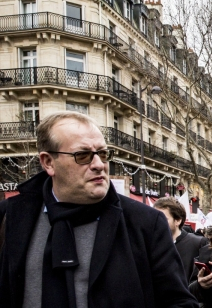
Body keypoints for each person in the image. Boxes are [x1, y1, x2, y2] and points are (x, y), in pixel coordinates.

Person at [0, 111, 198, 308]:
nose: (98, 165)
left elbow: (180, 302)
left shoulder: (145, 222)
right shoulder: (10, 217)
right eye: (83, 155)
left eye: (103, 154)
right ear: (48, 162)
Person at [154, 197, 209, 283]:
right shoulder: (151, 245)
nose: (157, 222)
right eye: (155, 218)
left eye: (163, 218)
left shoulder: (198, 243)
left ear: (178, 220)